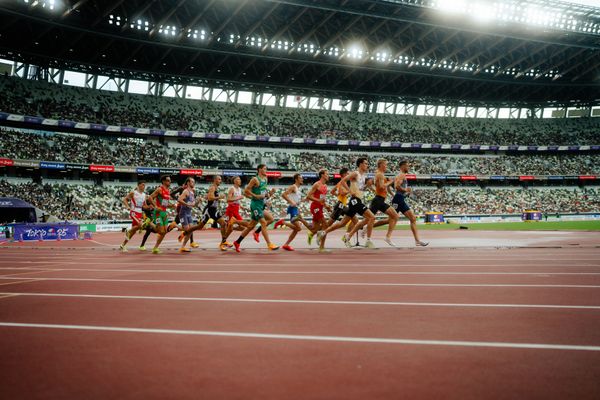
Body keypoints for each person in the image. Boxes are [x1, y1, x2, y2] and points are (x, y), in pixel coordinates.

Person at [318, 158, 376, 249]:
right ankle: (367, 240)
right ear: (360, 164)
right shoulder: (355, 173)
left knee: (342, 223)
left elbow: (360, 189)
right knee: (372, 217)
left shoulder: (363, 176)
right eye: (365, 163)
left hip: (357, 200)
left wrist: (367, 186)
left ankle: (324, 233)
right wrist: (349, 191)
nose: (367, 165)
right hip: (354, 200)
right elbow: (343, 181)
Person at [233, 164, 279, 252]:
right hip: (255, 205)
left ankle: (238, 242)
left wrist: (271, 193)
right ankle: (269, 244)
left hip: (261, 204)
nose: (266, 170)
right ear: (259, 169)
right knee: (263, 222)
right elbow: (246, 191)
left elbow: (265, 195)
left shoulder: (265, 179)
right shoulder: (255, 179)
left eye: (266, 169)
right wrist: (255, 196)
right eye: (265, 169)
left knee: (267, 220)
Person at [182, 175, 230, 251]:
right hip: (209, 210)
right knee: (199, 226)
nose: (220, 181)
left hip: (214, 209)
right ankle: (185, 233)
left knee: (223, 223)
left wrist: (220, 200)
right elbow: (210, 198)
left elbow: (212, 198)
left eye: (221, 179)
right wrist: (219, 197)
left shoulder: (216, 188)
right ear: (215, 180)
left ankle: (223, 242)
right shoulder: (212, 187)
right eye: (219, 179)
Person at [392, 160, 428, 247]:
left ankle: (417, 241)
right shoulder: (401, 175)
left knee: (412, 218)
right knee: (390, 220)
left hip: (400, 198)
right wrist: (406, 190)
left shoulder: (400, 175)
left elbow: (394, 186)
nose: (409, 167)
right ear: (402, 166)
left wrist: (406, 192)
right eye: (407, 166)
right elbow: (396, 186)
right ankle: (368, 227)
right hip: (398, 199)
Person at [367, 159, 399, 246]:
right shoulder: (379, 174)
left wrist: (392, 194)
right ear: (381, 165)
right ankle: (350, 234)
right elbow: (381, 187)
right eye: (385, 164)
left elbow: (378, 187)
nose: (386, 166)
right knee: (368, 219)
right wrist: (390, 182)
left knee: (395, 216)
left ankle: (387, 237)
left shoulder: (381, 175)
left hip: (381, 200)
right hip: (377, 200)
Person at [278, 174, 314, 251]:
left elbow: (296, 200)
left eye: (302, 178)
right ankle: (283, 223)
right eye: (300, 178)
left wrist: (304, 200)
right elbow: (283, 195)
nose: (302, 179)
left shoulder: (298, 189)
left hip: (295, 208)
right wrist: (291, 202)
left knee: (297, 229)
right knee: (299, 223)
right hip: (292, 208)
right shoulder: (293, 187)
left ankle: (286, 244)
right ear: (296, 179)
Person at [148, 175, 177, 254]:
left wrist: (172, 205)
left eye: (170, 180)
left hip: (164, 212)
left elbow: (165, 204)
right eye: (168, 180)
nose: (170, 182)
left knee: (164, 232)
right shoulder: (159, 189)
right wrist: (156, 206)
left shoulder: (168, 191)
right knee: (160, 231)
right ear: (163, 181)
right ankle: (148, 223)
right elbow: (150, 197)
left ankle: (155, 248)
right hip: (158, 213)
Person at [176, 177, 202, 253]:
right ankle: (177, 228)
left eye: (194, 182)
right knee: (187, 229)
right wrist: (186, 204)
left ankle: (183, 246)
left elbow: (193, 205)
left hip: (189, 213)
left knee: (190, 230)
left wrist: (198, 201)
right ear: (188, 183)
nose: (193, 183)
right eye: (192, 182)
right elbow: (179, 200)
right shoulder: (186, 191)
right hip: (183, 213)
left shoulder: (192, 192)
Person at [120, 180, 147, 252]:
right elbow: (124, 199)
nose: (144, 186)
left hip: (140, 213)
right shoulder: (133, 192)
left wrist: (150, 207)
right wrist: (127, 206)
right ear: (138, 185)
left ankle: (123, 245)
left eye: (144, 185)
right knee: (140, 225)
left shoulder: (144, 195)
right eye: (142, 185)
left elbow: (144, 206)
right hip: (134, 212)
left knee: (133, 232)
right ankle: (127, 231)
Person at [306, 169, 331, 243]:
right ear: (322, 175)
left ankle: (311, 234)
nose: (328, 176)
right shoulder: (317, 184)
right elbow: (308, 196)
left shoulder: (325, 186)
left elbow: (322, 199)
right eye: (327, 174)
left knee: (316, 228)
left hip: (320, 207)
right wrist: (318, 200)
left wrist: (326, 206)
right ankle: (320, 242)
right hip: (315, 207)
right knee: (325, 224)